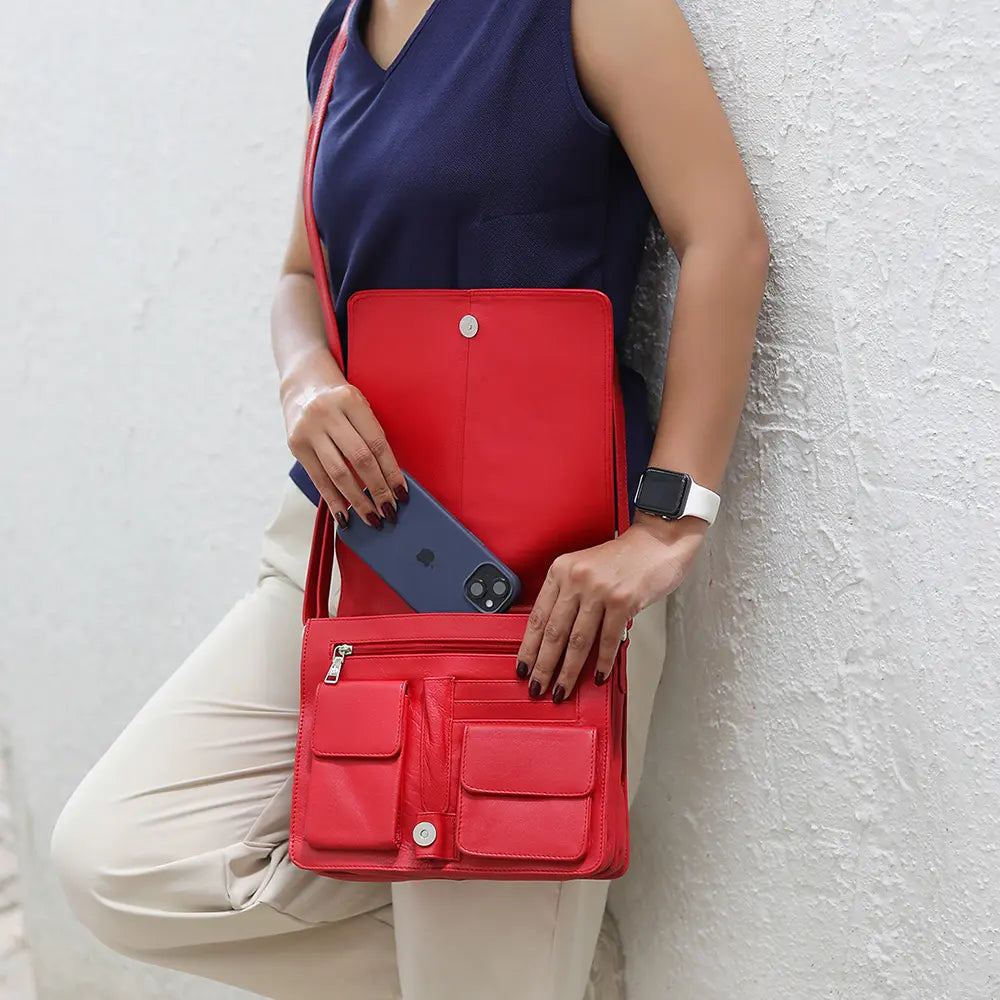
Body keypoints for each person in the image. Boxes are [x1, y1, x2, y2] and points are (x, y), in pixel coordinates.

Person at [49, 0, 768, 996]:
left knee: (480, 953)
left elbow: (724, 237)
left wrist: (666, 521)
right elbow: (302, 274)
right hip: (350, 551)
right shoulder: (342, 30)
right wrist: (306, 382)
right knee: (119, 856)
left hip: (533, 587)